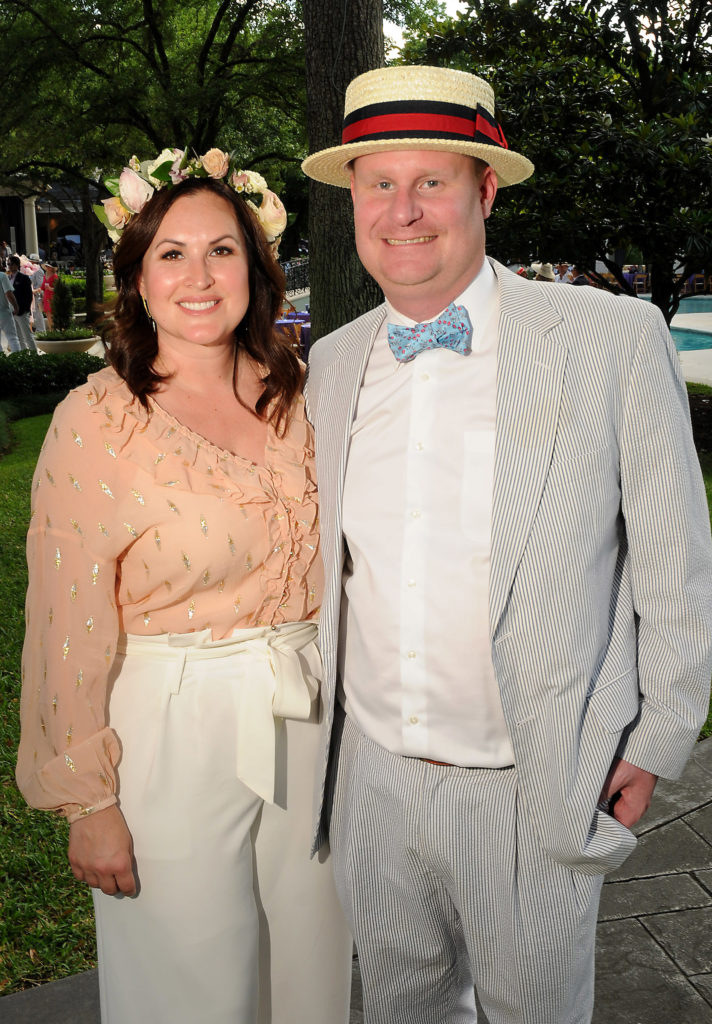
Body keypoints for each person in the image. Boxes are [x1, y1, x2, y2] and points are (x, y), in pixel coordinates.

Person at [301, 65, 712, 1024]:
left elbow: (677, 560)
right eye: (378, 183)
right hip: (371, 780)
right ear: (353, 199)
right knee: (401, 1010)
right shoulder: (331, 361)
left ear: (485, 190)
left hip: (536, 781)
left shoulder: (610, 337)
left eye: (431, 181)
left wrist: (661, 735)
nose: (403, 211)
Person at [17, 148, 351, 1024]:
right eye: (171, 253)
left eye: (221, 251)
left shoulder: (305, 394)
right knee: (191, 987)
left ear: (256, 268)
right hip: (170, 731)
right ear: (137, 276)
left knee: (310, 971)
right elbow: (65, 627)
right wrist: (89, 802)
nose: (198, 277)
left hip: (309, 714)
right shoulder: (96, 421)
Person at [7, 255, 36, 350]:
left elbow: (29, 296)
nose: (9, 266)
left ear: (17, 265)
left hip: (22, 312)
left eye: (11, 264)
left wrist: (24, 310)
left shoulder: (24, 278)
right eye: (8, 264)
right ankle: (23, 355)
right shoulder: (8, 278)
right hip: (11, 312)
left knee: (27, 336)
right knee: (19, 337)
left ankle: (34, 355)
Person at [0, 261, 21, 353]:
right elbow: (9, 293)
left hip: (3, 312)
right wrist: (16, 307)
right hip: (4, 312)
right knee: (12, 338)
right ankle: (18, 359)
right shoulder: (2, 276)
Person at [28, 253, 46, 332]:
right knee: (35, 313)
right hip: (33, 294)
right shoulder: (32, 270)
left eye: (31, 261)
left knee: (38, 313)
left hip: (37, 295)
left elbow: (40, 284)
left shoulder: (39, 271)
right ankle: (39, 329)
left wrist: (34, 291)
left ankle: (41, 330)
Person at [41, 259, 59, 329]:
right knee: (47, 314)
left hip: (52, 297)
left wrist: (50, 288)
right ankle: (51, 330)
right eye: (46, 266)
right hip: (46, 296)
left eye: (48, 266)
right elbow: (42, 287)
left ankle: (54, 329)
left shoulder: (55, 276)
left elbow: (58, 288)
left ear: (52, 268)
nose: (47, 267)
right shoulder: (45, 276)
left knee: (53, 314)